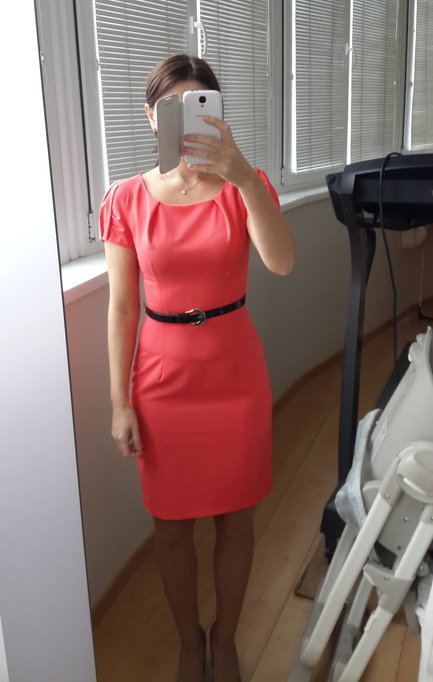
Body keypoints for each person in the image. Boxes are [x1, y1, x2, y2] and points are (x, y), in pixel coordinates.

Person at [99, 54, 296, 682]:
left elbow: (282, 262)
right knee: (169, 528)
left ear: (216, 113)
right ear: (150, 115)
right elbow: (122, 307)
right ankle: (190, 643)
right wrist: (119, 403)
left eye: (197, 105)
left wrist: (241, 176)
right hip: (161, 382)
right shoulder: (127, 199)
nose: (183, 119)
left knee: (237, 522)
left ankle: (226, 639)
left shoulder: (245, 186)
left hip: (234, 378)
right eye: (170, 107)